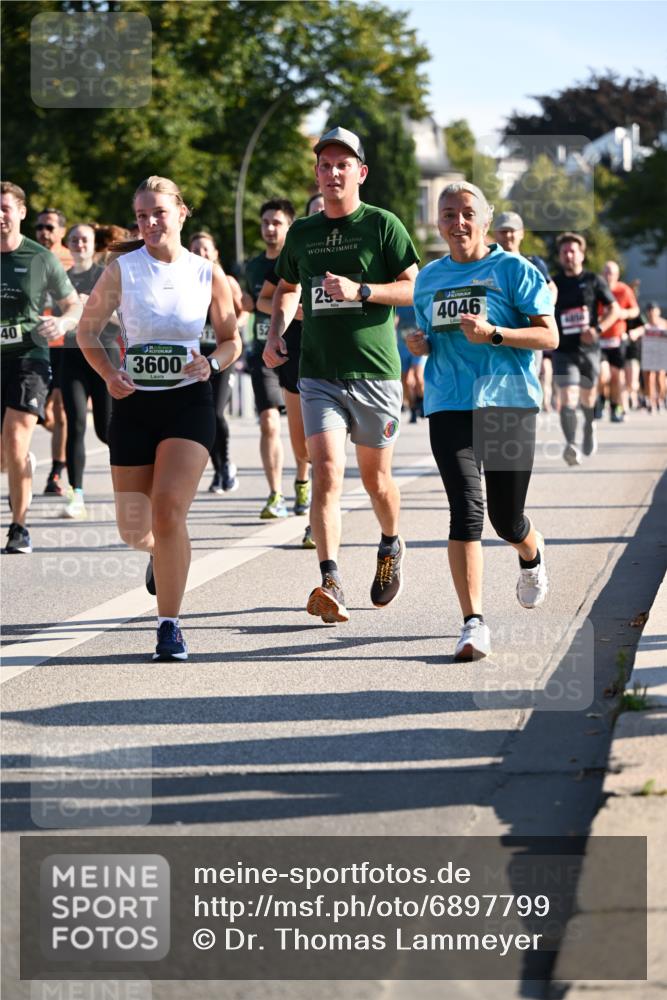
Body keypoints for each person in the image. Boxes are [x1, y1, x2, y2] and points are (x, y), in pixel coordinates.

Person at [76, 176, 241, 661]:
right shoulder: (122, 270)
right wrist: (108, 373)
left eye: (159, 213)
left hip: (190, 400)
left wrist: (211, 363)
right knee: (135, 529)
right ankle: (158, 555)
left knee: (169, 510)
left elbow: (231, 340)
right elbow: (87, 331)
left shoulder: (206, 273)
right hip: (132, 403)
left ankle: (169, 626)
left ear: (181, 214)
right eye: (142, 216)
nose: (149, 223)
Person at [264, 126, 419, 623]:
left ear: (361, 172)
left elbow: (413, 289)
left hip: (375, 372)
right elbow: (287, 288)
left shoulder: (383, 225)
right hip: (319, 374)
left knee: (376, 482)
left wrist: (362, 291)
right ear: (317, 173)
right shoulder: (303, 233)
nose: (333, 173)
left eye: (342, 165)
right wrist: (275, 333)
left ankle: (391, 544)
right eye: (325, 165)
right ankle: (330, 579)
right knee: (326, 471)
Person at [408, 182, 557, 661]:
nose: (458, 222)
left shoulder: (514, 269)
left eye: (467, 213)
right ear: (439, 222)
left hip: (508, 402)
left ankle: (531, 555)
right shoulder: (429, 278)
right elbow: (433, 336)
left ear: (486, 220)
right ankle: (473, 623)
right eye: (448, 214)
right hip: (450, 402)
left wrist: (494, 334)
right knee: (467, 509)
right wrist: (421, 345)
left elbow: (549, 335)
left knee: (505, 518)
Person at [1, 182, 82, 553]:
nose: (0, 216)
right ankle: (18, 466)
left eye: (5, 208)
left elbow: (72, 305)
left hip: (29, 357)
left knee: (16, 440)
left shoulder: (41, 258)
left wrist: (63, 324)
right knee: (7, 456)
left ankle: (19, 527)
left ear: (20, 212)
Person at [256, 195, 326, 550]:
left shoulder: (354, 248)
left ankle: (318, 519)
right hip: (296, 354)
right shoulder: (295, 251)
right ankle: (310, 490)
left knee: (326, 447)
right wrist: (291, 310)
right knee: (304, 448)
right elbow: (263, 299)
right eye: (315, 211)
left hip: (340, 356)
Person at [243, 199, 311, 520]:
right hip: (265, 352)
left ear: (289, 226)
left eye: (277, 223)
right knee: (269, 422)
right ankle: (275, 494)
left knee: (302, 426)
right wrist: (285, 310)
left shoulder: (302, 257)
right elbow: (255, 302)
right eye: (265, 222)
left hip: (298, 350)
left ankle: (302, 481)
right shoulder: (254, 266)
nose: (270, 229)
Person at [58, 223, 122, 519]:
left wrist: (94, 309)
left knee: (107, 430)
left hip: (104, 356)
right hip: (71, 357)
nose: (79, 244)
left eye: (84, 239)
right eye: (74, 239)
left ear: (94, 243)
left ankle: (132, 480)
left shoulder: (105, 275)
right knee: (76, 424)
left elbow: (124, 322)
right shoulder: (61, 279)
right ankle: (76, 495)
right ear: (67, 244)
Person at [552, 233, 619, 465]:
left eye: (573, 251)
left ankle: (589, 426)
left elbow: (614, 309)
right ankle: (570, 443)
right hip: (563, 350)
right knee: (567, 397)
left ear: (581, 254)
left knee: (588, 398)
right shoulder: (554, 284)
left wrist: (597, 329)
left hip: (589, 350)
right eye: (564, 252)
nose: (569, 256)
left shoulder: (593, 280)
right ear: (560, 257)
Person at [189, 231, 245, 494]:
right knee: (201, 414)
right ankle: (219, 467)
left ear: (215, 254)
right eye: (195, 250)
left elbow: (244, 314)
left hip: (222, 355)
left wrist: (234, 328)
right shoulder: (185, 280)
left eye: (205, 250)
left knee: (216, 412)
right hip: (195, 358)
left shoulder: (227, 281)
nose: (201, 255)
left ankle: (225, 465)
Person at [493, 211, 557, 414]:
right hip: (497, 332)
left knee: (529, 372)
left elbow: (552, 288)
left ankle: (525, 413)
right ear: (495, 234)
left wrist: (544, 310)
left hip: (528, 332)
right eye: (503, 231)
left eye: (512, 231)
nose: (507, 236)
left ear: (521, 234)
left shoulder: (533, 263)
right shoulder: (488, 262)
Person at [35, 207, 74, 495]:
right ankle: (72, 439)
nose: (44, 233)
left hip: (62, 345)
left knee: (58, 410)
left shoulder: (71, 262)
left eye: (50, 227)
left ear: (61, 231)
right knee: (42, 414)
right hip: (33, 345)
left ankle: (56, 472)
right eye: (40, 227)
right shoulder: (26, 258)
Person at [597, 260, 640, 422]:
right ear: (602, 274)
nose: (609, 276)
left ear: (617, 275)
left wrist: (622, 314)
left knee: (617, 376)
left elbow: (635, 310)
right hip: (600, 339)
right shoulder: (598, 289)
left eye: (612, 273)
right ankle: (601, 398)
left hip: (617, 340)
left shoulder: (624, 290)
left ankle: (616, 407)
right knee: (603, 374)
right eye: (606, 272)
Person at [396, 305, 425, 423]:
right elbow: (394, 319)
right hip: (402, 348)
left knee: (417, 377)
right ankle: (413, 410)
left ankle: (421, 403)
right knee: (405, 382)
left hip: (418, 346)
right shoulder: (397, 304)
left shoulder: (415, 301)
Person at [638, 302, 667, 412]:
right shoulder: (645, 326)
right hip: (648, 354)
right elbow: (638, 332)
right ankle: (651, 401)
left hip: (661, 354)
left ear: (658, 311)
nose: (651, 313)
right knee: (649, 378)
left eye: (653, 310)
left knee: (660, 377)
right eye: (649, 311)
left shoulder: (664, 324)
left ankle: (661, 398)